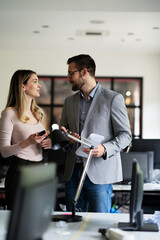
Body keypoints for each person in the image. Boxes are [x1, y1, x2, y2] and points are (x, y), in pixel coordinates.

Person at [60, 54, 132, 213]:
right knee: (73, 226)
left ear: (84, 72)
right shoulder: (69, 101)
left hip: (99, 175)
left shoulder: (113, 98)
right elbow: (63, 130)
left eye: (71, 73)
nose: (68, 77)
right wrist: (67, 137)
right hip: (73, 175)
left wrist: (105, 149)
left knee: (100, 225)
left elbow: (126, 136)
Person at [0, 69, 52, 210]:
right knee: (20, 220)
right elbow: (4, 152)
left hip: (40, 168)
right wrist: (27, 142)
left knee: (37, 217)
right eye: (35, 81)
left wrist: (47, 143)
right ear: (22, 86)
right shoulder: (9, 114)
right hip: (21, 170)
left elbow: (37, 144)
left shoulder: (37, 113)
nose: (39, 85)